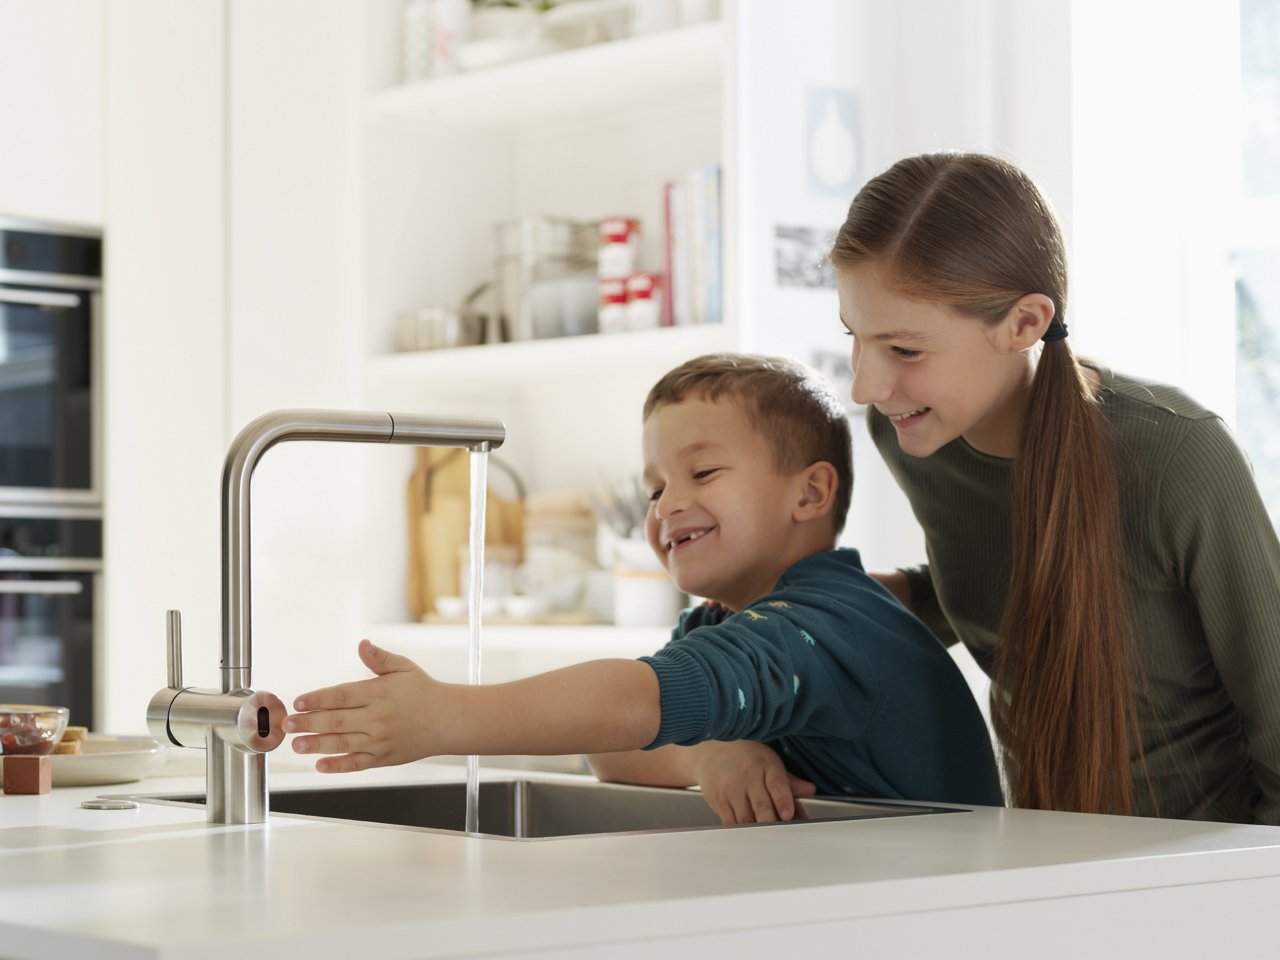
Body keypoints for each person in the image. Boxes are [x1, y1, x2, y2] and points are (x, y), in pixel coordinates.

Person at [283, 353, 1004, 819]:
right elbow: (615, 753)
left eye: (704, 472)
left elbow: (633, 706)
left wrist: (449, 717)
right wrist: (706, 753)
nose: (666, 505)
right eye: (654, 485)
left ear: (810, 494)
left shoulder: (826, 625)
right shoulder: (721, 624)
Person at [817, 151, 1280, 825]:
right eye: (855, 338)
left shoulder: (1178, 456)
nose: (866, 385)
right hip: (1044, 861)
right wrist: (822, 603)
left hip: (1206, 878)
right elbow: (1018, 578)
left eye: (905, 350)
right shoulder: (913, 437)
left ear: (1026, 323)